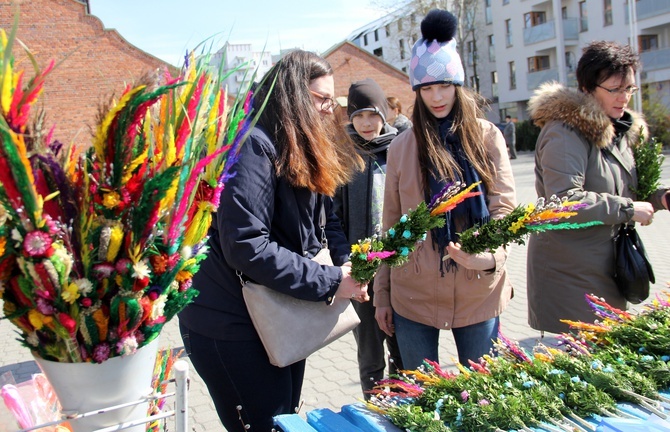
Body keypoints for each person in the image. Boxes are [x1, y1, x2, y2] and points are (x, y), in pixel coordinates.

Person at [178, 50, 368, 431]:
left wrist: (349, 265)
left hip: (277, 314)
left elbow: (325, 219)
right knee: (268, 424)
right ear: (292, 96)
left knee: (284, 419)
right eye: (322, 99)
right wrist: (332, 281)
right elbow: (247, 246)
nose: (331, 109)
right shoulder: (253, 144)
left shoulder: (296, 145)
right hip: (232, 325)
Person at [373, 9, 517, 371]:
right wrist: (382, 295)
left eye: (445, 85)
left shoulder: (486, 137)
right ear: (417, 91)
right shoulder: (402, 146)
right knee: (421, 399)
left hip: (477, 289)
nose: (436, 97)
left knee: (483, 398)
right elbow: (391, 225)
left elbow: (504, 209)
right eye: (427, 88)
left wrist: (490, 256)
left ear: (458, 85)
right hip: (413, 294)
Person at [526, 40, 670, 335]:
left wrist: (661, 197)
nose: (624, 98)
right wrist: (628, 210)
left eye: (629, 88)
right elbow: (564, 200)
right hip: (569, 271)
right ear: (587, 89)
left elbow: (627, 188)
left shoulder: (619, 130)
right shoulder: (565, 132)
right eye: (614, 89)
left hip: (607, 265)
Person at [334, 78, 404, 399]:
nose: (365, 123)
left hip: (399, 267)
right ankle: (375, 406)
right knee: (369, 350)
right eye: (358, 115)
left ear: (384, 114)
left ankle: (406, 406)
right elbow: (331, 215)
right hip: (360, 269)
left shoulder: (401, 150)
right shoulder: (342, 154)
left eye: (372, 115)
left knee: (402, 345)